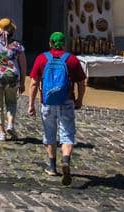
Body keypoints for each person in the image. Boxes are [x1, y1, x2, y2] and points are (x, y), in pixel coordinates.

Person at [28, 32, 86, 186]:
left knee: (49, 133)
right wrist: (79, 99)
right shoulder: (72, 59)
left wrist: (31, 104)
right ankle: (65, 160)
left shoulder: (42, 58)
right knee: (67, 133)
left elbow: (34, 83)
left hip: (47, 102)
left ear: (50, 43)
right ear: (64, 44)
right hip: (66, 102)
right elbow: (81, 82)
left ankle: (52, 167)